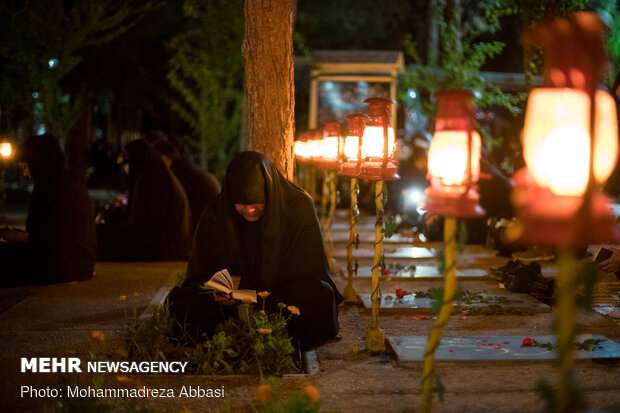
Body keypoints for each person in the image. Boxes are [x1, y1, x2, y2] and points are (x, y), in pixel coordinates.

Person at [169, 151, 343, 348]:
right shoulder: (215, 213)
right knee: (182, 302)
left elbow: (309, 269)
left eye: (256, 203)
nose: (250, 211)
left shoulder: (298, 206)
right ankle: (239, 332)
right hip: (230, 302)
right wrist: (218, 288)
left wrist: (249, 288)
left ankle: (258, 331)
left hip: (279, 296)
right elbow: (200, 273)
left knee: (318, 296)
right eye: (242, 205)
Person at [0, 133, 96, 286]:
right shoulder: (72, 181)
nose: (25, 174)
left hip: (58, 267)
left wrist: (14, 236)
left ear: (37, 163)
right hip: (83, 266)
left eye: (25, 167)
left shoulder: (48, 187)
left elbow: (45, 242)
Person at [96, 139, 191, 261]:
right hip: (171, 246)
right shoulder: (160, 175)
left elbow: (139, 223)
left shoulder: (150, 179)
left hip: (161, 249)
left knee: (104, 236)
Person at [152, 139, 220, 232]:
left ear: (164, 159)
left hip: (202, 229)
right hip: (211, 225)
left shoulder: (178, 175)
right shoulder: (186, 168)